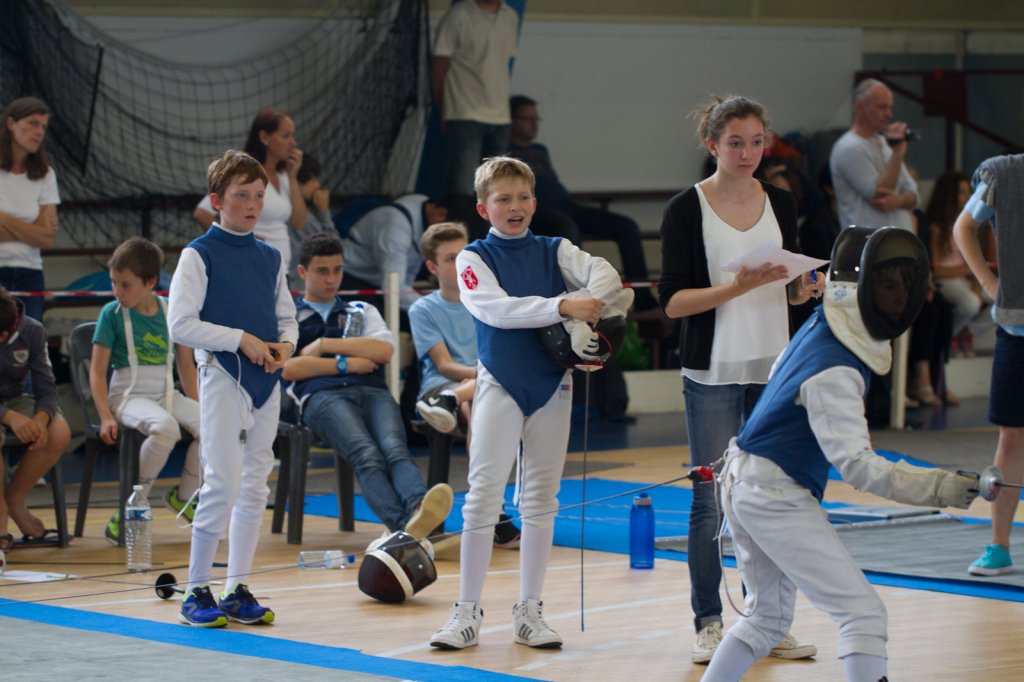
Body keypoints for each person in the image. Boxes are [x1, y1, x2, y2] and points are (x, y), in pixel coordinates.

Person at [702, 226, 980, 682]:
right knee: (863, 614)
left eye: (904, 286)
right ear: (861, 288)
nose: (899, 296)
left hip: (747, 481)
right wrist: (940, 487)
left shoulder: (820, 325)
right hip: (771, 494)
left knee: (766, 620)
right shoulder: (835, 369)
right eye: (888, 285)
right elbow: (858, 466)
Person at [429, 156, 630, 650]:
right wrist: (563, 306)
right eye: (503, 199)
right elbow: (495, 309)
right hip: (499, 384)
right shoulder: (473, 258)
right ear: (484, 208)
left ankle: (530, 611)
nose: (514, 207)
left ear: (535, 203)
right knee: (483, 495)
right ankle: (466, 612)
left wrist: (584, 318)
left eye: (522, 198)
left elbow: (604, 273)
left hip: (552, 385)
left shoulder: (556, 249)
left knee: (541, 498)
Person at [657, 95, 819, 664]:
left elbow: (790, 289)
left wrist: (803, 288)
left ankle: (766, 618)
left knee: (769, 496)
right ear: (712, 145)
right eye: (735, 143)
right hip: (713, 369)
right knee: (711, 499)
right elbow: (673, 303)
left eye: (756, 142)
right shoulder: (686, 208)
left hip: (773, 367)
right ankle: (708, 621)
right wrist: (737, 288)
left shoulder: (780, 200)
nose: (748, 153)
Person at [169, 149, 298, 628]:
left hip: (267, 381)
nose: (252, 205)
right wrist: (240, 339)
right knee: (221, 482)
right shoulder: (198, 254)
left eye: (259, 196)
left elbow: (287, 318)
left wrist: (285, 346)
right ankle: (195, 590)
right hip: (222, 377)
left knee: (255, 483)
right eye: (242, 195)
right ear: (217, 200)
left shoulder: (270, 256)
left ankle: (235, 588)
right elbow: (180, 324)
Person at [282, 232, 454, 546]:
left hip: (372, 391)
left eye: (337, 270)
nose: (331, 279)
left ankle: (418, 510)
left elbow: (383, 351)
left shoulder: (362, 309)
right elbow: (290, 368)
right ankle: (410, 531)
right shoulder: (288, 316)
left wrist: (322, 346)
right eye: (322, 271)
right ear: (303, 272)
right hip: (320, 397)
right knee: (366, 454)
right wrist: (349, 363)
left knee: (396, 449)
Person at [408, 221, 521, 549]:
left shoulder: (486, 301)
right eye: (450, 258)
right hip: (441, 385)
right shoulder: (422, 309)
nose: (460, 263)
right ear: (432, 267)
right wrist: (484, 375)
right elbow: (444, 365)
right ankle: (494, 513)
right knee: (482, 399)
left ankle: (487, 509)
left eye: (465, 254)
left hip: (474, 389)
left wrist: (482, 378)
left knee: (477, 403)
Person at [89, 237, 202, 544]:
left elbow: (186, 366)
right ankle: (131, 508)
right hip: (127, 398)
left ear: (151, 282)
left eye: (125, 285)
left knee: (212, 427)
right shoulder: (111, 314)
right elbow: (97, 373)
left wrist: (198, 408)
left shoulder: (171, 311)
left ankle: (184, 497)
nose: (117, 291)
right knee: (166, 429)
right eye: (114, 283)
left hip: (165, 395)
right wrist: (105, 416)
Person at [507, 95, 659, 314]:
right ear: (511, 120)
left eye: (536, 119)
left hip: (566, 204)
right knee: (568, 229)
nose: (533, 124)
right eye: (526, 119)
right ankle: (577, 299)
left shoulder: (540, 149)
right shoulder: (505, 151)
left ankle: (643, 299)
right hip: (539, 211)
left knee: (626, 226)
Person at [954, 153, 1024, 577]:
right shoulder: (1006, 174)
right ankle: (998, 544)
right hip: (1017, 329)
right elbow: (964, 226)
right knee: (1011, 438)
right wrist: (987, 282)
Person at [431, 0, 519, 231]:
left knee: (497, 188)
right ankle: (459, 244)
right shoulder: (459, 15)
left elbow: (501, 62)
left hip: (500, 115)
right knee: (462, 188)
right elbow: (439, 64)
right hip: (464, 111)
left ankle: (492, 243)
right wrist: (444, 107)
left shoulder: (510, 16)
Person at [0, 287, 71, 561]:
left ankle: (15, 498)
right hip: (6, 410)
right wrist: (9, 417)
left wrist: (40, 420)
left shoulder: (33, 331)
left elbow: (47, 388)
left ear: (4, 335)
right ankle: (1, 520)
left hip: (17, 399)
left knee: (58, 431)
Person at [193, 109, 307, 276]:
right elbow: (202, 213)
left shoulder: (284, 175)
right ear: (264, 137)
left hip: (281, 270)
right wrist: (235, 240)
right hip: (248, 269)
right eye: (285, 136)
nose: (293, 143)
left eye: (293, 135)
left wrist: (292, 177)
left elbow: (299, 222)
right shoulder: (243, 173)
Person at [829, 79, 919, 233]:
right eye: (882, 107)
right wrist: (897, 154)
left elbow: (914, 195)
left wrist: (898, 201)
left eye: (890, 107)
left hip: (896, 241)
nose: (889, 114)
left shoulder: (885, 144)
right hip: (867, 244)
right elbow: (880, 191)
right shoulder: (848, 147)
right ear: (859, 106)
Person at [0, 97, 60, 321]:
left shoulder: (46, 174)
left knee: (29, 336)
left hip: (31, 273)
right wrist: (31, 229)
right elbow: (39, 233)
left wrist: (5, 219)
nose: (39, 132)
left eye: (43, 126)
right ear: (11, 123)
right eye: (33, 123)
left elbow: (47, 238)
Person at [339, 194, 448, 314]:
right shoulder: (396, 228)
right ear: (440, 214)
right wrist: (437, 312)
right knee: (375, 319)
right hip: (350, 276)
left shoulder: (424, 206)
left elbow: (405, 284)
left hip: (380, 284)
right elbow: (394, 289)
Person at [927, 170, 992, 359]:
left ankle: (968, 330)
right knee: (970, 303)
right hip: (947, 279)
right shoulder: (936, 228)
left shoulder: (967, 225)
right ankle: (948, 337)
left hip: (964, 277)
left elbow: (972, 261)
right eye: (962, 192)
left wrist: (976, 284)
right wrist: (968, 271)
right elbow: (936, 271)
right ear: (949, 195)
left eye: (968, 192)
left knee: (1003, 296)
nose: (967, 197)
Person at [286, 154, 333, 289]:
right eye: (312, 179)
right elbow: (332, 246)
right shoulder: (302, 216)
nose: (317, 185)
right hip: (299, 288)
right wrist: (324, 211)